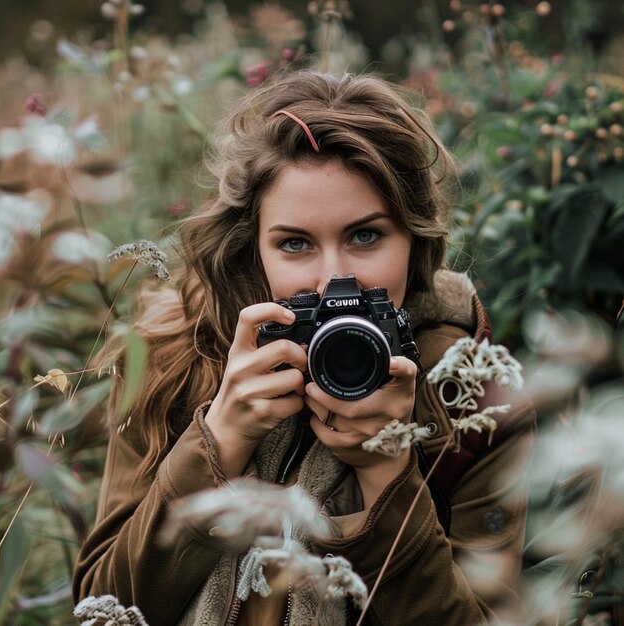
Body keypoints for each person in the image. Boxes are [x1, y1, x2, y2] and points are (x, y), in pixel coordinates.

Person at [73, 70, 535, 626]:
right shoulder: (171, 358)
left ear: (415, 240)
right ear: (254, 249)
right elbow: (103, 610)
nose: (332, 279)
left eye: (366, 235)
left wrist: (387, 475)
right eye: (295, 244)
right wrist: (218, 439)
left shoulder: (473, 395)